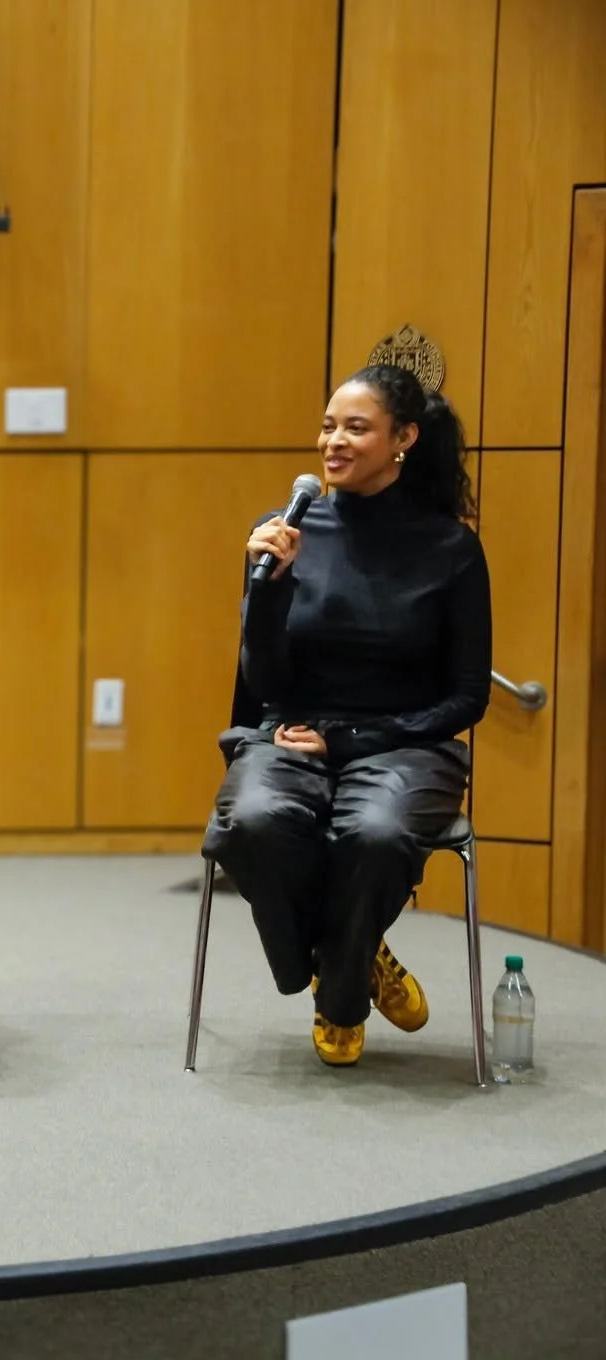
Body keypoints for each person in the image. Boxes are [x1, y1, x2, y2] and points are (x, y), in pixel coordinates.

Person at [205, 363, 490, 1067]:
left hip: (407, 742)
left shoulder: (450, 548)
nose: (332, 441)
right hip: (293, 731)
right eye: (329, 424)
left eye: (355, 428)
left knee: (376, 830)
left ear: (403, 438)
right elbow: (262, 680)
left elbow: (467, 697)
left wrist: (356, 739)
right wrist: (266, 590)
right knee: (256, 821)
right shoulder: (284, 532)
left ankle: (339, 997)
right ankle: (356, 951)